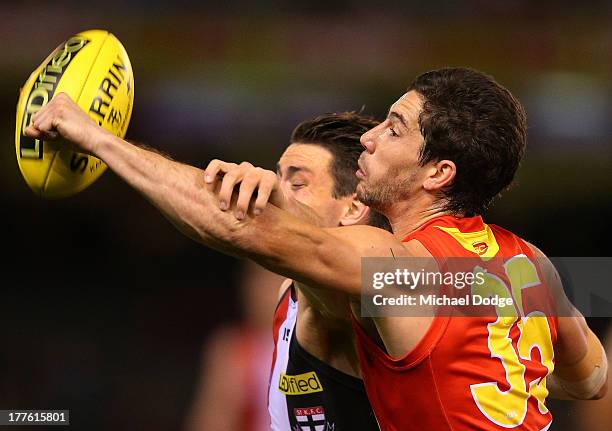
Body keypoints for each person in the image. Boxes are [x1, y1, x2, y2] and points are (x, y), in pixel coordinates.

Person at [26, 67, 607, 430]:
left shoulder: (402, 272)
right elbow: (591, 378)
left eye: (395, 129)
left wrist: (98, 139)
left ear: (438, 173)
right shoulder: (533, 268)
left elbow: (235, 230)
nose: (371, 138)